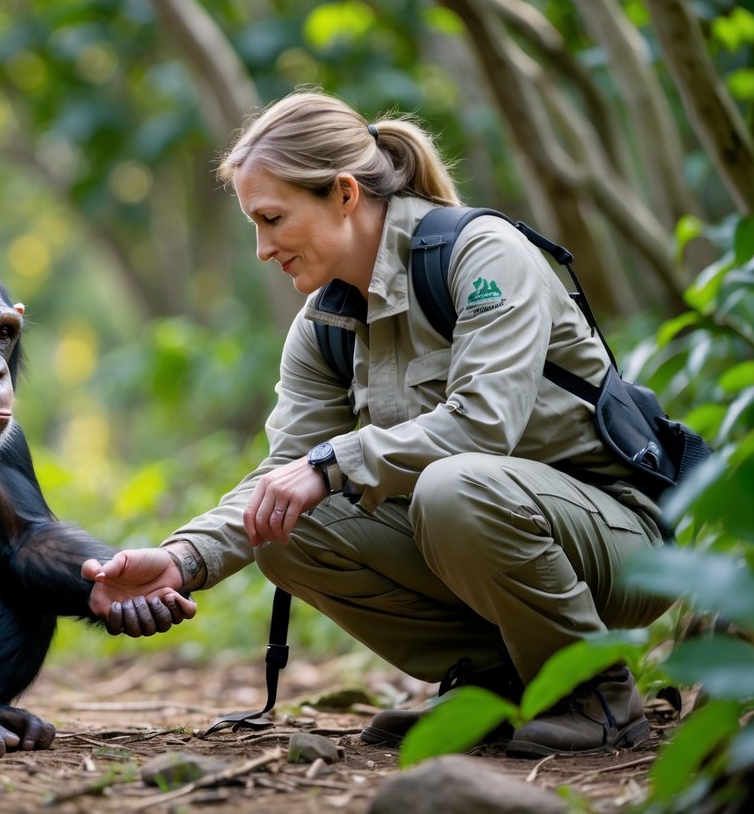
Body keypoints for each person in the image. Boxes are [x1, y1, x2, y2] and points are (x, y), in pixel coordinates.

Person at [81, 89, 670, 758]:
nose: (261, 248)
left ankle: (592, 691)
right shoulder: (324, 323)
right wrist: (183, 560)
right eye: (253, 223)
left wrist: (332, 463)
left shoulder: (483, 255)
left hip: (617, 544)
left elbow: (482, 429)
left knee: (452, 487)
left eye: (272, 218)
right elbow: (284, 475)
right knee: (285, 526)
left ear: (342, 194)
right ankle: (494, 684)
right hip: (484, 536)